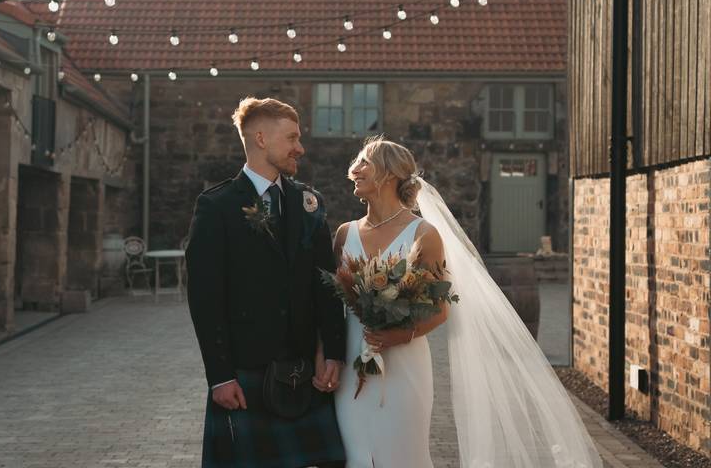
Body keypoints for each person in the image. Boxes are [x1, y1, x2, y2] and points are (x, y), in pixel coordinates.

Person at [333, 136, 602, 468]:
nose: (353, 169)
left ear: (388, 175)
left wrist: (397, 336)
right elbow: (333, 304)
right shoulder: (345, 234)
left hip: (403, 364)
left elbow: (439, 308)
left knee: (403, 455)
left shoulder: (423, 235)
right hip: (351, 362)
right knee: (356, 455)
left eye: (364, 162)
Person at [185, 96, 346, 468]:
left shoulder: (309, 202)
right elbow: (205, 297)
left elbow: (326, 283)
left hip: (304, 372)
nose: (300, 148)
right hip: (245, 374)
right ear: (260, 138)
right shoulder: (218, 206)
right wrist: (220, 376)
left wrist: (333, 350)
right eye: (292, 138)